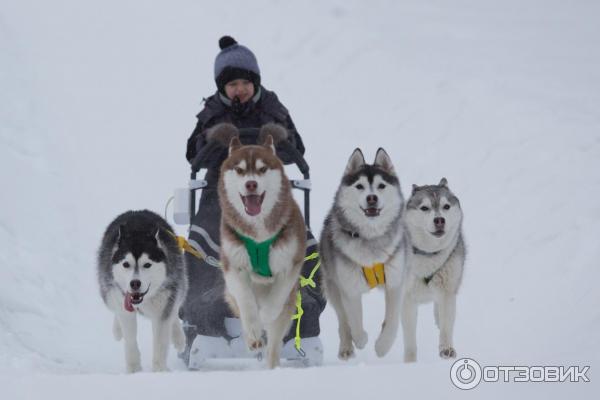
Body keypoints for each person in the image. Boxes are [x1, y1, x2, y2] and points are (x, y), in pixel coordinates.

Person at [180, 36, 325, 366]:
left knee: (299, 240)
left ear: (254, 83)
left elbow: (296, 149)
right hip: (221, 189)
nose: (240, 90)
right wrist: (211, 139)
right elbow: (192, 153)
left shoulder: (271, 106)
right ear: (223, 87)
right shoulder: (212, 110)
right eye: (233, 84)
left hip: (269, 195)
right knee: (203, 239)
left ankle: (302, 310)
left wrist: (279, 138)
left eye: (245, 82)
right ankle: (204, 316)